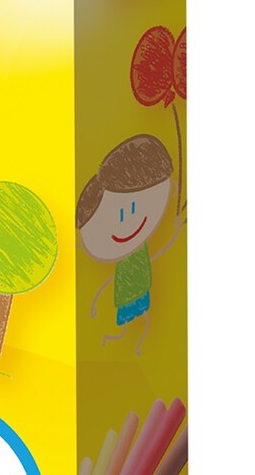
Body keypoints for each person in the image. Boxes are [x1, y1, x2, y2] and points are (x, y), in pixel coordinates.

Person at [78, 134, 183, 354]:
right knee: (131, 319)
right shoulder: (127, 258)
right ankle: (124, 338)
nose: (126, 222)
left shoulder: (137, 254)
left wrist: (174, 230)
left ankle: (132, 340)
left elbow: (157, 253)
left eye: (133, 208)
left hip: (140, 288)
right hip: (127, 290)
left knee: (141, 317)